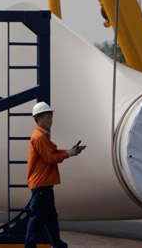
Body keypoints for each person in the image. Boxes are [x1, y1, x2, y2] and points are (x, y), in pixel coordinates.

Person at [25, 102, 86, 248]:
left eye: (51, 117)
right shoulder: (39, 137)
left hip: (45, 185)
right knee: (38, 218)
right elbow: (50, 158)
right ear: (39, 118)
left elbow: (54, 152)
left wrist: (70, 151)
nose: (51, 120)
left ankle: (57, 244)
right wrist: (68, 155)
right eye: (47, 117)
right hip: (41, 185)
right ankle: (30, 246)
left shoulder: (44, 136)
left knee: (50, 217)